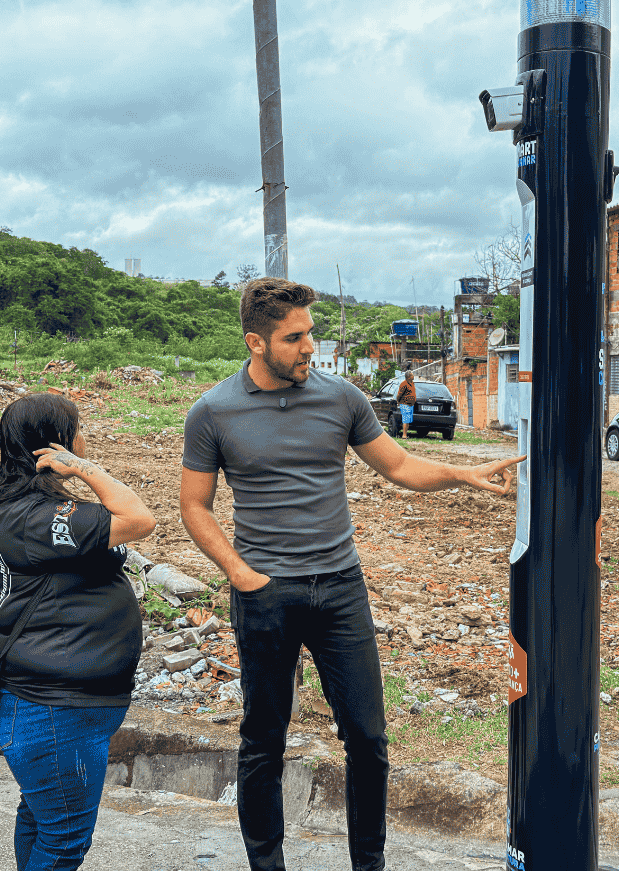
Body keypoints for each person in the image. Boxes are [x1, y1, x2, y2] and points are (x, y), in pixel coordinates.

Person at [179, 278, 523, 871]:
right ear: (256, 343)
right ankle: (268, 865)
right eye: (295, 337)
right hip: (266, 594)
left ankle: (369, 865)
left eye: (311, 331)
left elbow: (399, 464)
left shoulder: (341, 399)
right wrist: (238, 573)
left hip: (340, 587)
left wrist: (463, 474)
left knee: (367, 739)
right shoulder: (212, 412)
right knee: (263, 739)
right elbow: (193, 505)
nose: (310, 346)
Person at [0, 394, 155, 871]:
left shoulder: (12, 506)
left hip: (48, 706)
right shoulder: (35, 516)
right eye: (78, 432)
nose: (84, 438)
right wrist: (83, 467)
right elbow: (139, 519)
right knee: (64, 842)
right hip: (55, 711)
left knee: (41, 821)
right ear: (56, 443)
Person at [394, 369, 417, 435]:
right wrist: (398, 401)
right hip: (405, 404)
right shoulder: (403, 384)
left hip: (411, 404)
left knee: (408, 421)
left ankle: (405, 434)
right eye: (412, 375)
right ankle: (404, 435)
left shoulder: (412, 383)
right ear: (409, 377)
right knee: (405, 420)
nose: (413, 376)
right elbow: (399, 394)